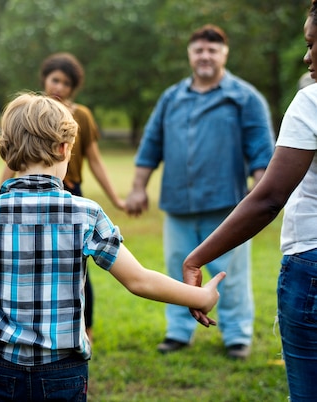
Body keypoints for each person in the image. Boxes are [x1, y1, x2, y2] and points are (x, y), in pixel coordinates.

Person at [0, 92, 225, 402]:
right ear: (63, 149)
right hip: (63, 372)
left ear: (7, 152)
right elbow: (139, 281)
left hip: (2, 370)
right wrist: (201, 297)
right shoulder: (86, 214)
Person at [183, 3, 317, 399]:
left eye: (312, 44)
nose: (307, 56)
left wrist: (197, 258)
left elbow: (269, 199)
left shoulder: (311, 102)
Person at [125, 24, 275, 359]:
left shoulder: (244, 97)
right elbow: (151, 145)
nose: (205, 55)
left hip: (227, 207)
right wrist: (138, 188)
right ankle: (179, 332)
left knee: (230, 274)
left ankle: (237, 336)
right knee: (177, 269)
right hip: (178, 203)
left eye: (212, 50)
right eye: (198, 50)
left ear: (224, 53)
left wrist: (261, 193)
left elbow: (261, 151)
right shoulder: (172, 98)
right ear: (190, 55)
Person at [0, 52, 126, 342]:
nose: (59, 86)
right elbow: (10, 160)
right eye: (55, 79)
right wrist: (0, 194)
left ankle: (85, 327)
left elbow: (95, 160)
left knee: (79, 267)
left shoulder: (80, 116)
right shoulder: (29, 115)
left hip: (70, 192)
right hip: (28, 191)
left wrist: (116, 198)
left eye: (66, 83)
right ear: (45, 78)